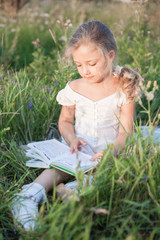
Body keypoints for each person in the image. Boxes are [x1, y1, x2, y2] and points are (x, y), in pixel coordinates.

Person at [10, 20, 142, 231]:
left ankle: (72, 191)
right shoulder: (74, 88)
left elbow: (126, 130)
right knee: (60, 167)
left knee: (111, 174)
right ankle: (28, 195)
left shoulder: (124, 87)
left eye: (91, 63)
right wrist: (71, 139)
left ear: (109, 56)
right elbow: (65, 121)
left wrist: (114, 149)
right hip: (80, 145)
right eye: (78, 65)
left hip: (111, 148)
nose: (85, 71)